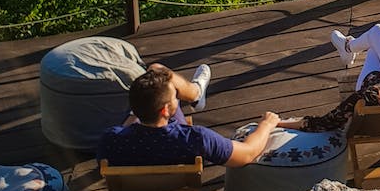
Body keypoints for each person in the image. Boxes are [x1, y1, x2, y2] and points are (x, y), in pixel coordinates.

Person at [97, 62, 279, 168]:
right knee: (157, 68)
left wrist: (141, 107)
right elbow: (247, 154)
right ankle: (196, 93)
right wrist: (266, 125)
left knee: (156, 70)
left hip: (133, 184)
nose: (176, 99)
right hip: (178, 179)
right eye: (174, 97)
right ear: (166, 110)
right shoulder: (196, 139)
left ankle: (196, 93)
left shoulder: (111, 139)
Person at [276, 24, 380, 140]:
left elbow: (324, 123)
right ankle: (348, 47)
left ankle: (348, 47)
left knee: (375, 38)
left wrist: (278, 122)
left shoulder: (364, 98)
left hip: (371, 87)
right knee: (375, 44)